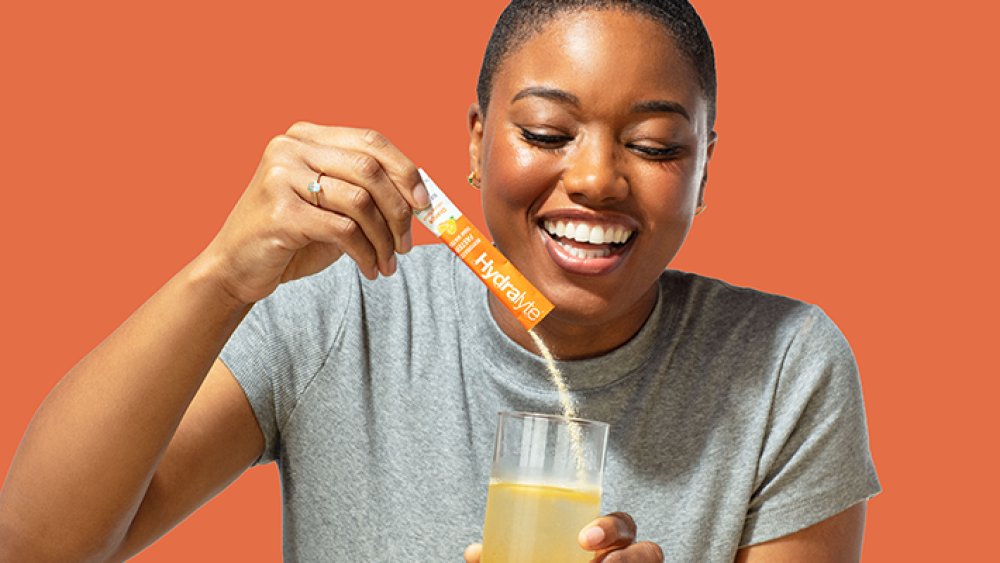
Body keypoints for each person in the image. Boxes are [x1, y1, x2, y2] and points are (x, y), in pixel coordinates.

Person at [0, 0, 880, 561]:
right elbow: (37, 545)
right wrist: (224, 275)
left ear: (703, 168)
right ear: (473, 140)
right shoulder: (343, 310)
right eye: (546, 133)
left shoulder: (783, 365)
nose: (599, 178)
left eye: (655, 146)